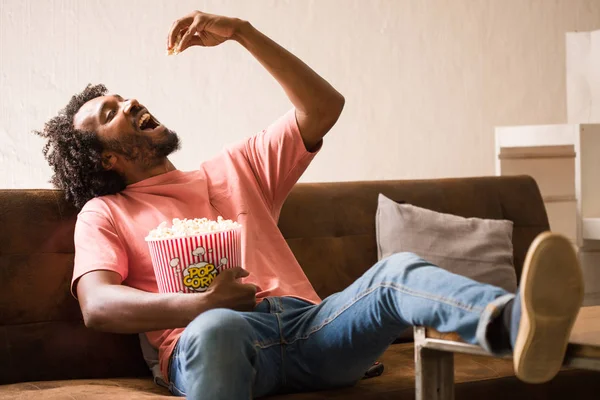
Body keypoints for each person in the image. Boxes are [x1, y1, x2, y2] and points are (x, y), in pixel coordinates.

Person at [34, 10, 584, 400]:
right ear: (105, 159)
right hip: (211, 339)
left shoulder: (237, 167)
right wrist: (199, 306)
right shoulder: (106, 214)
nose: (130, 103)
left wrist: (242, 33)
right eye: (110, 114)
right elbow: (99, 306)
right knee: (219, 327)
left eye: (124, 97)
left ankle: (516, 326)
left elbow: (324, 107)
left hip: (311, 329)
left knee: (395, 274)